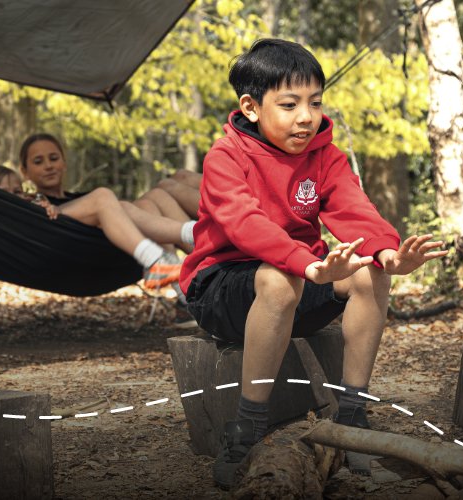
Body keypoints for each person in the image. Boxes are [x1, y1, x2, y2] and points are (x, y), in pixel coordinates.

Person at [180, 39, 446, 488]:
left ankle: (352, 418)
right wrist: (305, 264)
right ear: (250, 107)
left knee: (369, 272)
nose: (306, 116)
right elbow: (245, 225)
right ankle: (246, 428)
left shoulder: (325, 156)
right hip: (222, 285)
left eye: (315, 102)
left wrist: (388, 253)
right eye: (289, 104)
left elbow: (354, 210)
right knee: (279, 278)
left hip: (300, 275)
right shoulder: (226, 156)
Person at [18, 133, 197, 289]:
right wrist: (36, 203)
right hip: (72, 255)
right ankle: (185, 242)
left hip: (113, 248)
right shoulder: (35, 204)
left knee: (150, 200)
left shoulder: (82, 199)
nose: (48, 166)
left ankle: (186, 285)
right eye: (38, 162)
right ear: (24, 172)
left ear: (64, 162)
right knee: (103, 196)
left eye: (54, 158)